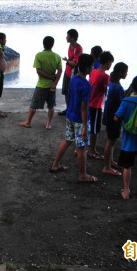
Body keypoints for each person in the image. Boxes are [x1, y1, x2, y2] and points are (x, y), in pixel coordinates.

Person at [50, 54, 98, 183]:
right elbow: (84, 108)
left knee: (67, 140)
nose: (93, 68)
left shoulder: (73, 79)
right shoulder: (87, 85)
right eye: (92, 66)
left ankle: (55, 165)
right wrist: (85, 126)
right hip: (79, 119)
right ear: (88, 69)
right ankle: (83, 175)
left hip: (70, 115)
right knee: (82, 147)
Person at [19, 36, 62, 130]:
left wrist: (49, 77)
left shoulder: (38, 55)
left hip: (41, 85)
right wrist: (54, 83)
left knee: (33, 105)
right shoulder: (57, 56)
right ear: (52, 44)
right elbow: (59, 71)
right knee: (51, 106)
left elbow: (39, 71)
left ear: (43, 44)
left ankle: (28, 122)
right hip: (51, 86)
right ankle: (48, 124)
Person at [101, 62, 130, 176]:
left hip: (108, 115)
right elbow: (123, 101)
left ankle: (110, 161)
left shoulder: (111, 83)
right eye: (125, 72)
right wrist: (131, 89)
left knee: (111, 141)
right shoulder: (117, 87)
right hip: (114, 117)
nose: (126, 74)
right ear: (120, 73)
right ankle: (106, 167)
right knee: (111, 141)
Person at [88, 51, 114, 160]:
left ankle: (80, 147)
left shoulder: (93, 72)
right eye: (110, 63)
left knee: (86, 126)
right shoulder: (105, 76)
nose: (110, 66)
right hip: (96, 105)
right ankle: (92, 151)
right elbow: (107, 91)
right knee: (95, 130)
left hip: (88, 103)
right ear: (107, 63)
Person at [59, 29, 83, 116]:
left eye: (67, 36)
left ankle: (73, 110)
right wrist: (68, 61)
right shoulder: (70, 46)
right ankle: (68, 109)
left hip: (74, 73)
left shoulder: (78, 48)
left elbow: (75, 63)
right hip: (68, 71)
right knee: (66, 91)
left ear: (72, 37)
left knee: (73, 92)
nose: (66, 37)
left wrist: (67, 60)